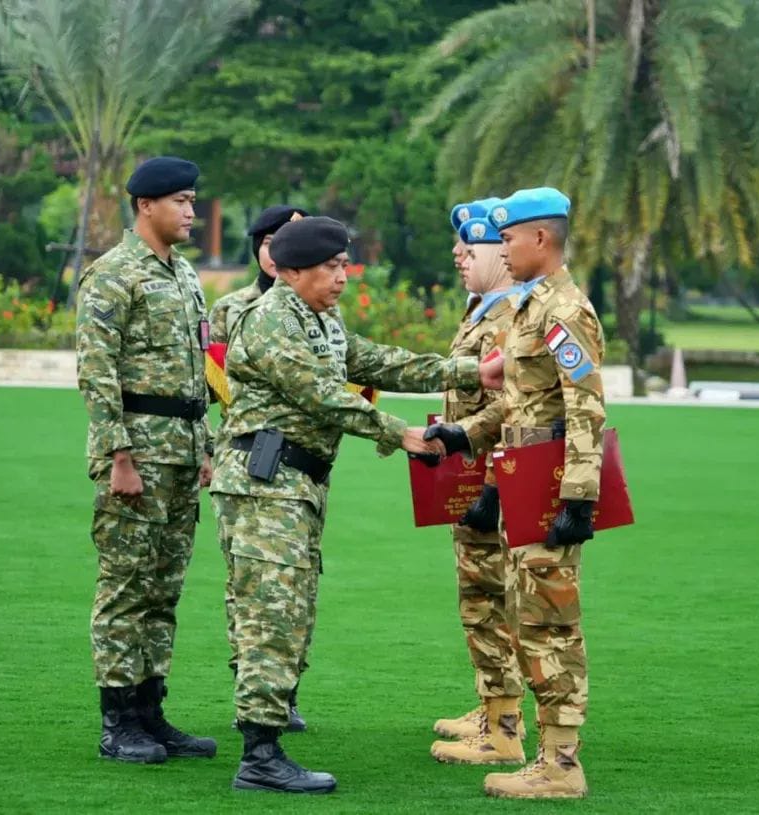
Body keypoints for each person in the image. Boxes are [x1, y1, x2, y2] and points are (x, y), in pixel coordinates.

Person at [210, 216, 503, 794]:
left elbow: (378, 361)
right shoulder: (269, 320)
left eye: (345, 265)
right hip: (264, 485)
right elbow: (320, 395)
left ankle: (266, 740)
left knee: (292, 611)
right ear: (293, 271)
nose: (343, 277)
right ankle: (259, 757)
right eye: (331, 267)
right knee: (271, 615)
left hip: (295, 484)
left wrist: (472, 371)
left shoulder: (320, 318)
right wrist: (400, 433)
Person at [425, 188, 605, 799]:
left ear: (540, 239)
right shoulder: (533, 306)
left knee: (551, 624)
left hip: (550, 484)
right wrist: (469, 440)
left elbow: (585, 408)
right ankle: (541, 751)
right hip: (522, 477)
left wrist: (578, 499)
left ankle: (561, 765)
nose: (501, 250)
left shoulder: (566, 310)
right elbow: (516, 406)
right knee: (528, 618)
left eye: (508, 239)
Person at [76, 156, 217, 765]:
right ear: (145, 206)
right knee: (125, 588)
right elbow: (96, 371)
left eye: (192, 200)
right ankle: (117, 723)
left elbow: (197, 371)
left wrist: (204, 446)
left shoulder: (183, 274)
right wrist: (119, 456)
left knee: (163, 591)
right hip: (137, 455)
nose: (191, 211)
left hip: (180, 453)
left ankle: (150, 712)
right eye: (181, 201)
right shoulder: (113, 274)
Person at [208, 204, 311, 732]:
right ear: (257, 248)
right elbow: (209, 387)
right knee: (248, 584)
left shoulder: (319, 309)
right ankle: (252, 689)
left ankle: (285, 691)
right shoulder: (232, 309)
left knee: (300, 580)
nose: (278, 251)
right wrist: (210, 452)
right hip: (248, 458)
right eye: (270, 241)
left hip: (302, 464)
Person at [430, 211, 528, 767]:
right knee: (480, 600)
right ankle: (495, 707)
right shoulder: (483, 311)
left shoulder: (507, 316)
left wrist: (486, 479)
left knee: (490, 602)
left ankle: (503, 726)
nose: (459, 255)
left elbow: (510, 406)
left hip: (495, 481)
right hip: (472, 478)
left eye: (473, 246)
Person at [209, 204, 309, 344]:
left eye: (289, 245)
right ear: (257, 249)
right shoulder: (228, 308)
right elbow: (215, 357)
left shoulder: (317, 305)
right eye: (269, 244)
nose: (277, 254)